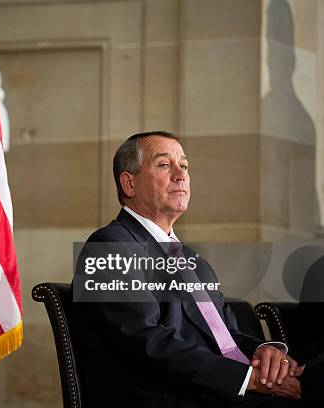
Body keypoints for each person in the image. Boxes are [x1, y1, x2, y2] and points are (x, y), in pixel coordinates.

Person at [71, 131, 323, 407]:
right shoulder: (110, 245)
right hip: (167, 397)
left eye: (185, 166)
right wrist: (248, 379)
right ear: (129, 184)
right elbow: (146, 341)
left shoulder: (193, 261)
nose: (180, 175)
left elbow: (225, 336)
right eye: (164, 165)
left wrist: (265, 353)